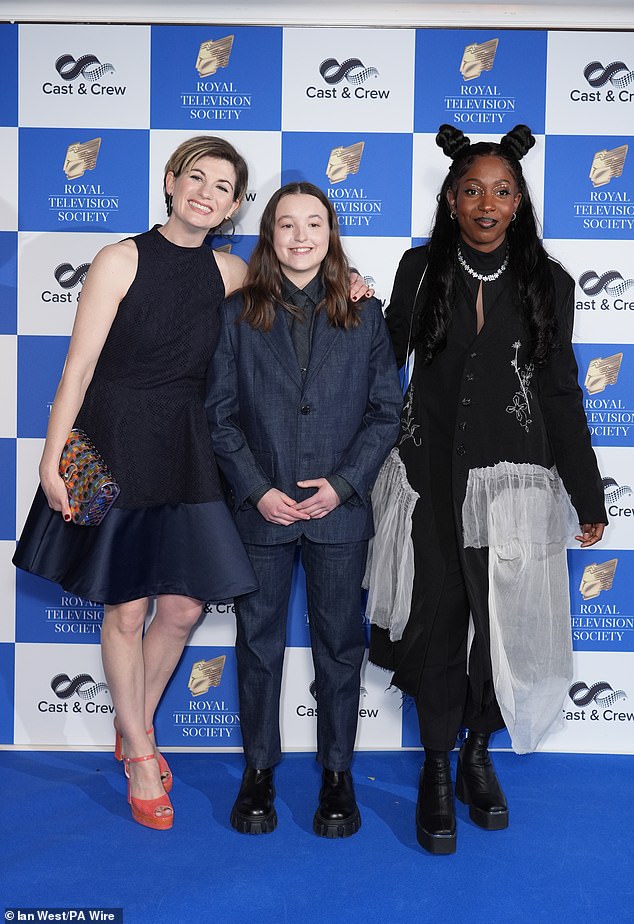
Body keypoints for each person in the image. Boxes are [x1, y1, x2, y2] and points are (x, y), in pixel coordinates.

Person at [369, 124, 607, 855]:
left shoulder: (550, 283)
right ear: (449, 199)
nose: (486, 202)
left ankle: (478, 751)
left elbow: (562, 391)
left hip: (515, 481)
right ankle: (437, 768)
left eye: (502, 191)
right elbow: (381, 363)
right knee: (435, 624)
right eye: (472, 189)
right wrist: (348, 307)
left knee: (499, 630)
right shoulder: (419, 270)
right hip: (427, 477)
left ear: (519, 202)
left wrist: (586, 494)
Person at [13, 136, 261, 831]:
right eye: (196, 177)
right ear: (171, 181)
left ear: (235, 205)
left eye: (223, 186)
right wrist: (52, 455)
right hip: (116, 438)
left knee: (182, 609)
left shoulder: (231, 273)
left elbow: (295, 309)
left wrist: (354, 286)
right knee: (125, 611)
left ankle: (134, 722)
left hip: (190, 445)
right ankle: (143, 754)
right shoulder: (119, 258)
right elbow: (79, 365)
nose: (206, 193)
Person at [206, 181, 402, 838]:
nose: (300, 237)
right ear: (270, 236)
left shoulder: (364, 312)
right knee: (258, 647)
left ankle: (338, 773)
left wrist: (343, 485)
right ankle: (258, 771)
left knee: (339, 648)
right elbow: (222, 418)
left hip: (338, 514)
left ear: (331, 232)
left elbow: (385, 413)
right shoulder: (237, 315)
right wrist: (258, 488)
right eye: (286, 225)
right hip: (260, 512)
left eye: (313, 224)